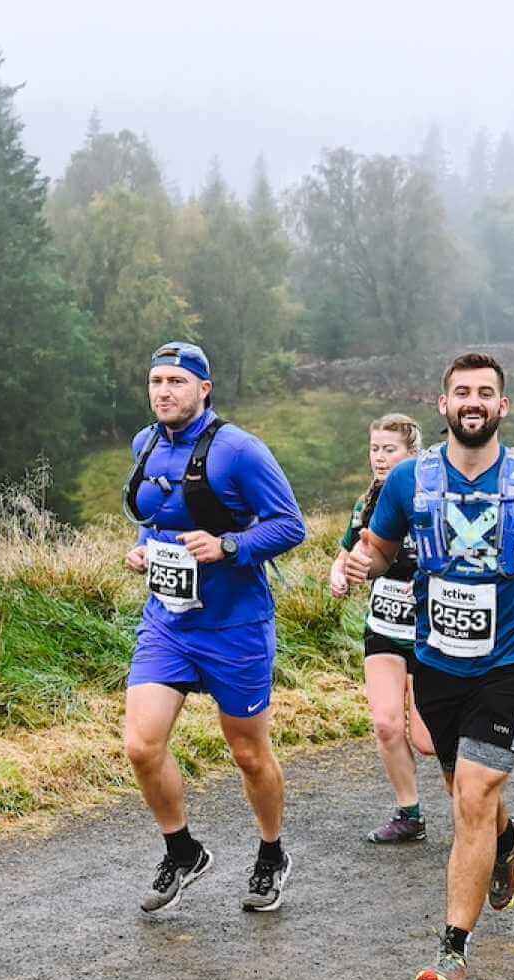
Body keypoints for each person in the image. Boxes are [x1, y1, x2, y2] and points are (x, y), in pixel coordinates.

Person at [341, 352, 514, 980]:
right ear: (444, 404)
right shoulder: (408, 480)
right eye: (463, 392)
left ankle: (451, 954)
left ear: (503, 406)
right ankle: (510, 841)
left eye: (486, 392)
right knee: (463, 790)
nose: (474, 401)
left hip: (511, 663)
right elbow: (378, 549)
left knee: (475, 795)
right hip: (436, 664)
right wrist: (353, 567)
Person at [122, 342, 308, 914]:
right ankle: (182, 851)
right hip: (169, 622)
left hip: (236, 628)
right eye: (156, 381)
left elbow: (290, 526)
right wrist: (141, 551)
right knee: (141, 745)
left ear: (204, 388)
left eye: (177, 381)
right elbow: (159, 521)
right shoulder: (146, 444)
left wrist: (229, 545)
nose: (164, 392)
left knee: (249, 754)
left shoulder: (240, 451)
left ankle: (272, 852)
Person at [329, 414, 435, 843]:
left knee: (429, 741)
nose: (379, 457)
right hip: (385, 628)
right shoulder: (367, 502)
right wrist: (339, 574)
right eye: (374, 448)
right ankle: (409, 814)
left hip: (433, 634)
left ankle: (474, 800)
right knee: (387, 725)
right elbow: (347, 552)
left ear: (412, 453)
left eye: (389, 449)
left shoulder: (432, 496)